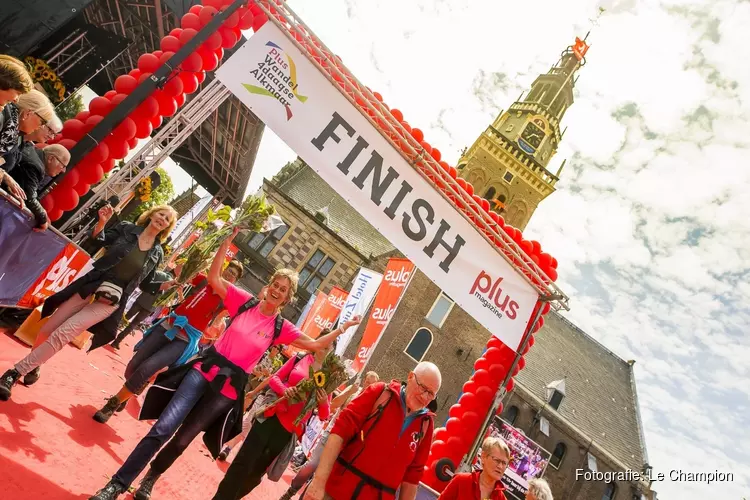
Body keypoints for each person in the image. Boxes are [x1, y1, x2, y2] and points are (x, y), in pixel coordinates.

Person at [89, 228, 362, 500]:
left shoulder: (281, 327)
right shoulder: (244, 302)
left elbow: (314, 344)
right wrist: (227, 243)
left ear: (288, 299)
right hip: (204, 370)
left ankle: (151, 477)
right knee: (164, 427)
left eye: (284, 290)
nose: (278, 291)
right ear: (269, 286)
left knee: (184, 439)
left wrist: (343, 328)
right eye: (276, 285)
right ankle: (117, 484)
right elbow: (214, 278)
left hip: (228, 389)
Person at [0, 204, 177, 400]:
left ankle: (14, 373)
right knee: (46, 330)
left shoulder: (157, 253)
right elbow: (99, 240)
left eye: (167, 219)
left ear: (167, 227)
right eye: (161, 213)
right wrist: (101, 223)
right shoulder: (127, 228)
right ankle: (35, 364)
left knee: (64, 333)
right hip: (92, 282)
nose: (162, 219)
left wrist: (164, 286)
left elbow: (145, 283)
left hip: (113, 298)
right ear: (152, 214)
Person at [93, 261, 243, 423]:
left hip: (185, 339)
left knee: (148, 368)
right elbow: (181, 271)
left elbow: (242, 310)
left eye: (234, 275)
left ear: (235, 281)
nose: (229, 274)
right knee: (134, 366)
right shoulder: (204, 279)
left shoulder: (227, 300)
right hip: (168, 325)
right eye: (229, 270)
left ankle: (113, 403)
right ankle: (129, 392)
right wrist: (196, 262)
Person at [213, 333, 342, 499]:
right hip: (270, 416)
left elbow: (324, 415)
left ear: (332, 352)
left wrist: (324, 401)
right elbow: (274, 378)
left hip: (287, 432)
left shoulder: (328, 379)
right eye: (321, 343)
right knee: (243, 462)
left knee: (255, 473)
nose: (322, 349)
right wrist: (284, 390)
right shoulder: (300, 359)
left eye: (327, 347)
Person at [303, 361, 441, 500]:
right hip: (336, 491)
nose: (424, 397)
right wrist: (319, 482)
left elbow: (412, 476)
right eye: (422, 388)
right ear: (411, 376)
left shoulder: (426, 425)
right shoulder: (380, 393)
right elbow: (340, 432)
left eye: (431, 394)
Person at [279, 370, 381, 500]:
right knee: (312, 465)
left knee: (323, 476)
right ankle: (290, 491)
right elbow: (333, 405)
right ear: (364, 380)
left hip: (345, 444)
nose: (368, 385)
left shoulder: (372, 405)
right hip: (332, 433)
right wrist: (350, 392)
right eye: (367, 381)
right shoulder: (353, 391)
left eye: (372, 384)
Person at [0, 89, 56, 202]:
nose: (41, 126)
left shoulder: (16, 135)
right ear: (28, 114)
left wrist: (7, 180)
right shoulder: (4, 118)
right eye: (43, 122)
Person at [8, 143, 69, 230]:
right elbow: (29, 197)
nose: (63, 170)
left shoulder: (33, 152)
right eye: (63, 165)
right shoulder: (36, 166)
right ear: (51, 158)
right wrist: (43, 217)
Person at [438, 437, 511, 500]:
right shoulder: (461, 481)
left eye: (504, 463)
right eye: (496, 460)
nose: (500, 466)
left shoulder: (501, 498)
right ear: (483, 457)